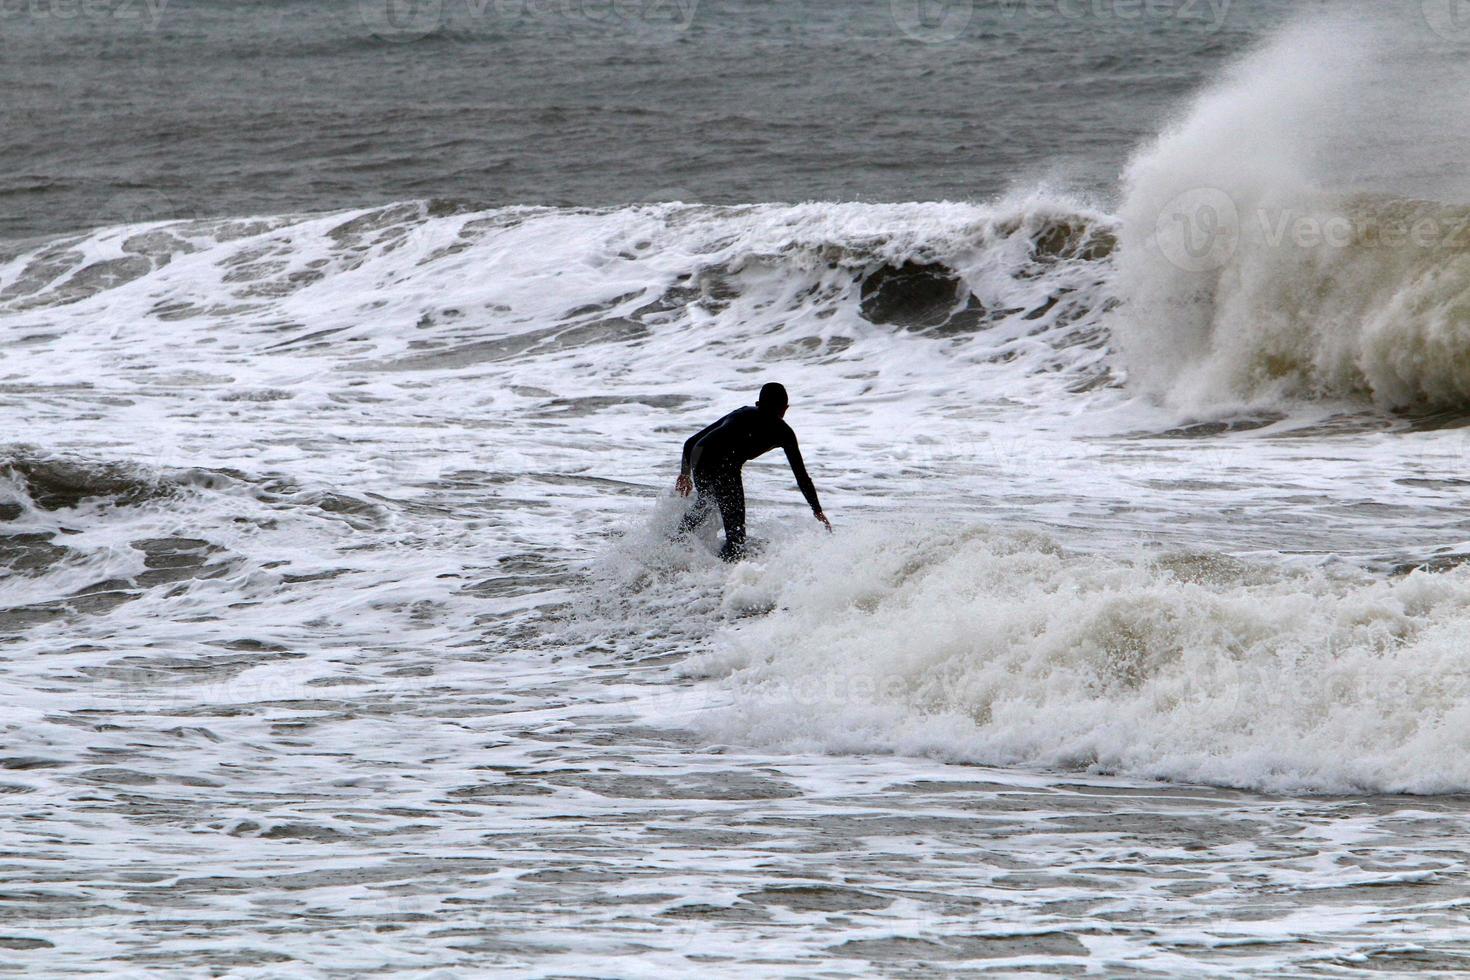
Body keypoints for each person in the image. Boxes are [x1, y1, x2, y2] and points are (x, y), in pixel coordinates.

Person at [675, 382, 831, 561]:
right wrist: (685, 474)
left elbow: (691, 444)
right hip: (717, 466)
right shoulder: (747, 420)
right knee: (735, 536)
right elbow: (694, 443)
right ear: (785, 409)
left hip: (708, 465)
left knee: (708, 504)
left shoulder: (778, 431)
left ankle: (675, 542)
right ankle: (720, 576)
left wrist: (817, 510)